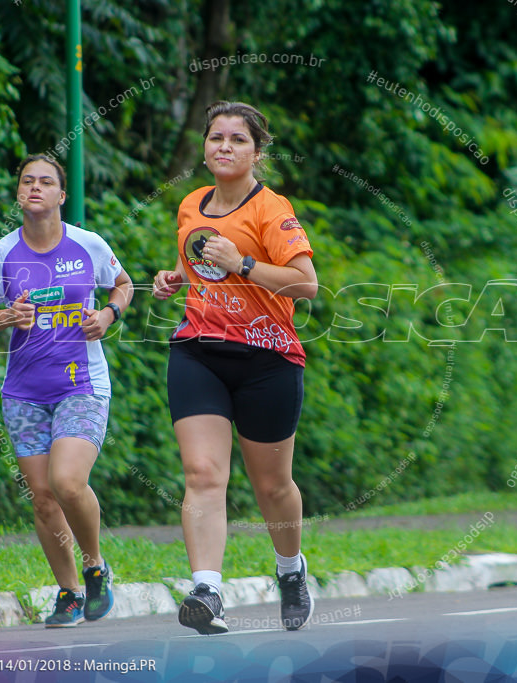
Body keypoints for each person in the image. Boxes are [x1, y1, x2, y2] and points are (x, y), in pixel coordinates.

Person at [153, 101, 318, 634]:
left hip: (267, 358)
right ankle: (207, 591)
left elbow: (305, 284)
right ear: (204, 147)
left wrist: (242, 264)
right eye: (216, 137)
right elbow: (196, 257)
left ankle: (291, 571)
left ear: (257, 152)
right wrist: (175, 277)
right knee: (202, 475)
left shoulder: (272, 209)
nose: (224, 146)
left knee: (272, 487)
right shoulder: (191, 204)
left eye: (237, 140)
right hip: (199, 350)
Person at [0, 154, 133, 628]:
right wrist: (5, 318)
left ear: (62, 195)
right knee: (42, 497)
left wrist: (108, 315)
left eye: (46, 182)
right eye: (26, 181)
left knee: (67, 482)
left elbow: (122, 285)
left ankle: (95, 564)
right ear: (19, 193)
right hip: (23, 392)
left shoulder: (88, 245)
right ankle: (69, 593)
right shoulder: (2, 253)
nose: (35, 188)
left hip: (82, 385)